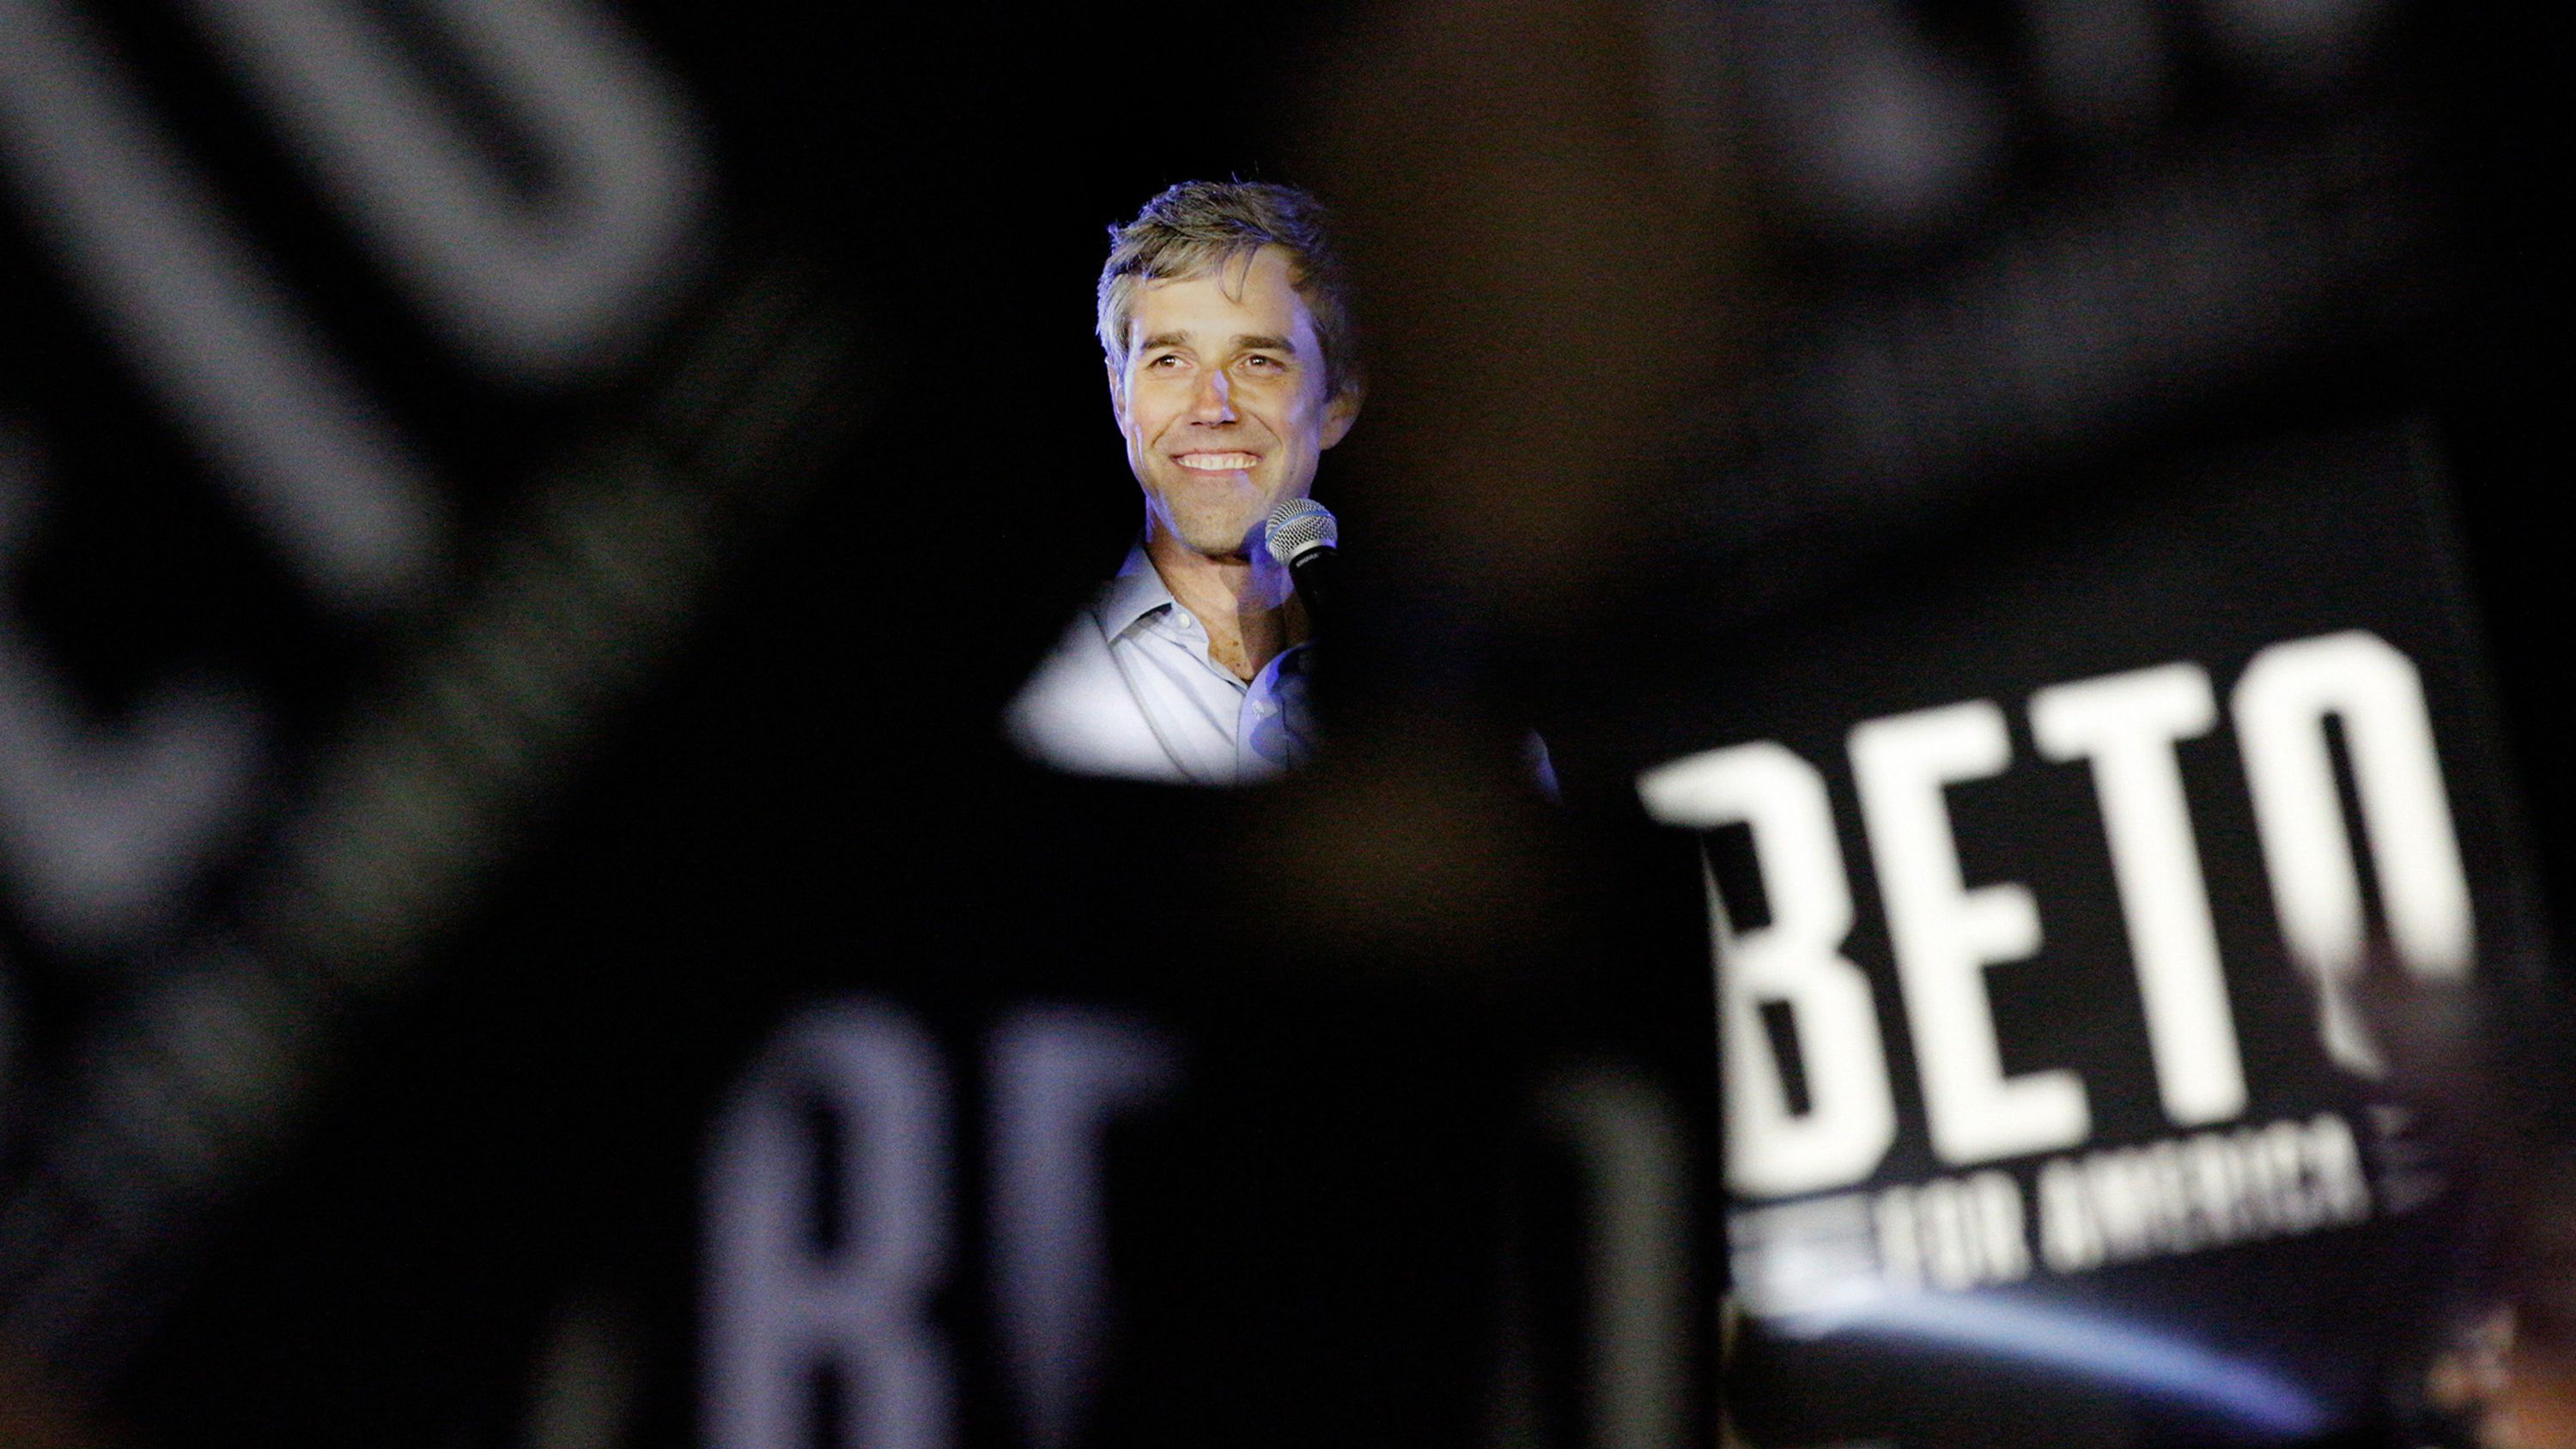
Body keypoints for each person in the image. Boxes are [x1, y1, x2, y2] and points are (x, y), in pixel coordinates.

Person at [1006, 180, 1363, 785]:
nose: (1211, 406)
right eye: (1169, 361)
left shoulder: (1437, 700)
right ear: (1120, 396)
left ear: (1337, 403)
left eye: (1259, 361)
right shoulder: (1033, 678)